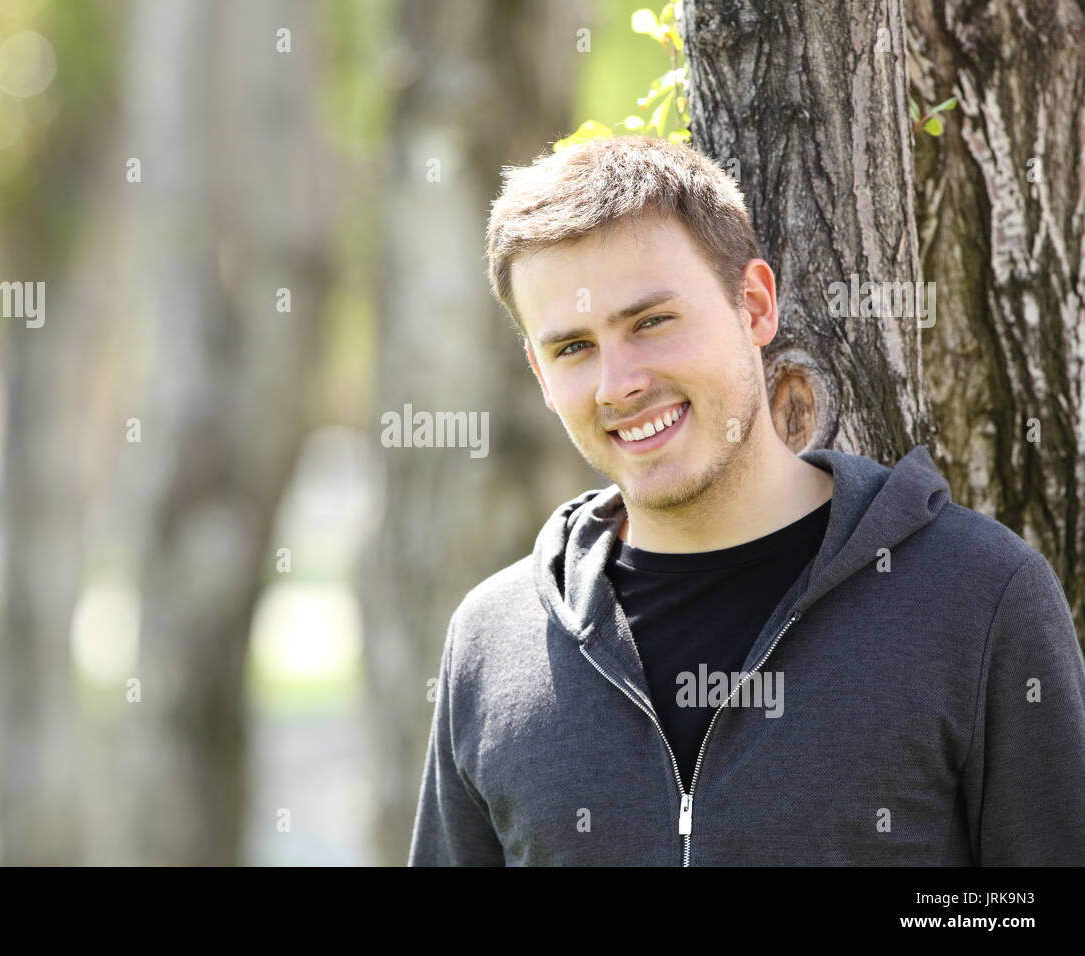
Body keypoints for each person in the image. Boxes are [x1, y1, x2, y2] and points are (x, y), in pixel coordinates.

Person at [407, 135, 1085, 866]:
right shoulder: (490, 642)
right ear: (541, 375)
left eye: (651, 321)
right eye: (574, 348)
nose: (618, 384)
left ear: (754, 305)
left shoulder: (979, 598)